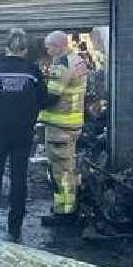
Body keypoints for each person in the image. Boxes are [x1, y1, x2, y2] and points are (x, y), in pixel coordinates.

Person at [0, 28, 48, 241]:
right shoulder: (33, 71)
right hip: (23, 132)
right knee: (19, 178)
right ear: (25, 50)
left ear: (6, 47)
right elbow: (43, 100)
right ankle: (15, 227)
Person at [38, 30, 87, 225]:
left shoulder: (61, 64)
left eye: (49, 47)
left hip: (60, 126)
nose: (47, 51)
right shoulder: (77, 60)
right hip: (72, 123)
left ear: (58, 46)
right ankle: (68, 206)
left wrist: (34, 93)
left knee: (60, 171)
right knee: (68, 168)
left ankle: (65, 213)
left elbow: (51, 97)